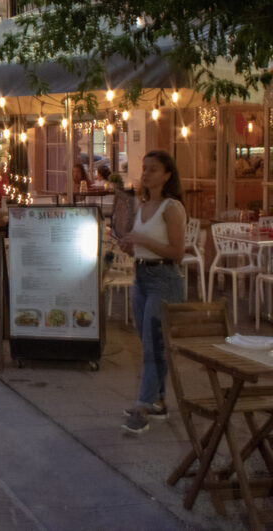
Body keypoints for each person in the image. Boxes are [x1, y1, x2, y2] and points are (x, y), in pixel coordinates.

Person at [118, 150, 186, 435]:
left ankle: (142, 407)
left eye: (153, 169)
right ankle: (158, 401)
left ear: (167, 175)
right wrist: (131, 246)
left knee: (152, 345)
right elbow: (143, 245)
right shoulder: (143, 205)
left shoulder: (172, 207)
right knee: (150, 342)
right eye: (144, 168)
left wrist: (144, 239)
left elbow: (178, 252)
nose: (146, 174)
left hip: (164, 279)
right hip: (142, 275)